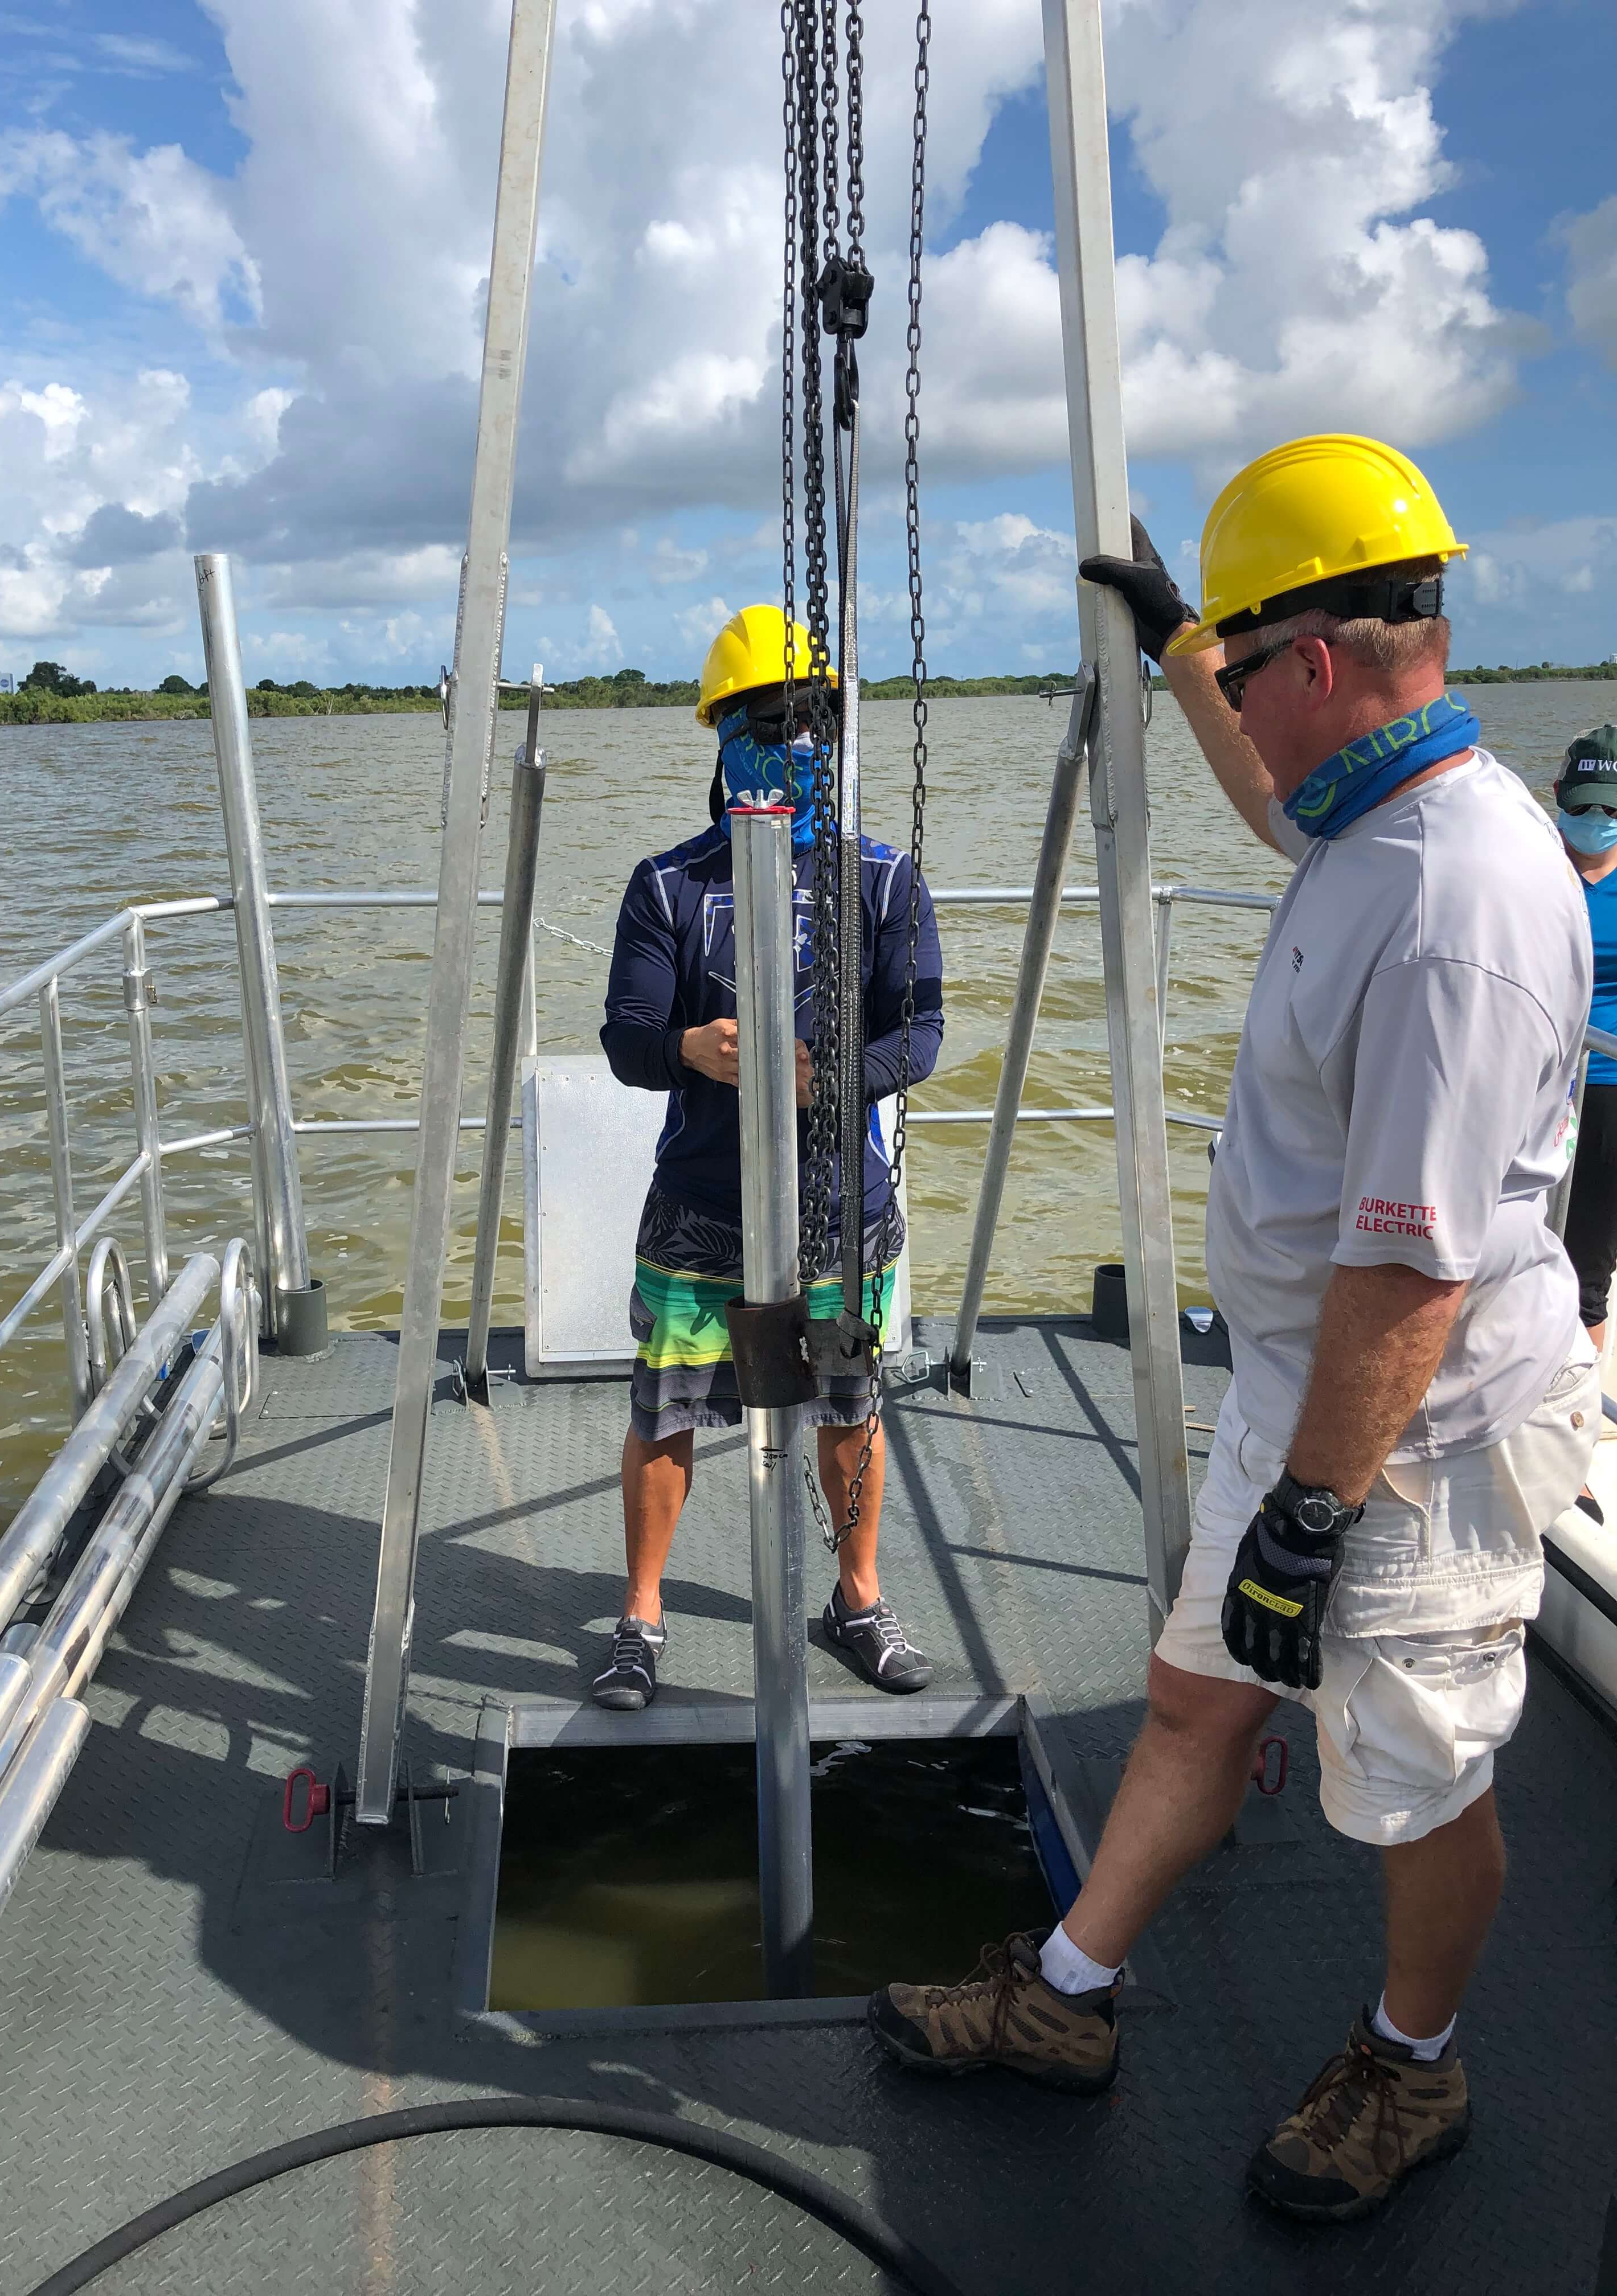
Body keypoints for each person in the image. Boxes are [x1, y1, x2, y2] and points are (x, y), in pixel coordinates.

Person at [867, 435, 1600, 2223]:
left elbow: (1411, 1270)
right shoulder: (1373, 816)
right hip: (1316, 1399)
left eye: (1259, 680)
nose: (1253, 730)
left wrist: (1312, 1511)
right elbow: (1269, 801)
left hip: (1410, 1439)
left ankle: (1410, 2069)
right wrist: (1185, 646)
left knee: (1418, 1774)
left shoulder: (1453, 903)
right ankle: (1070, 1997)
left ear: (1328, 664)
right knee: (1199, 1695)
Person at [593, 603, 944, 1711]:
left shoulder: (883, 883)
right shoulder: (668, 886)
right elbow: (626, 1040)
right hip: (702, 1209)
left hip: (845, 1209)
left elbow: (921, 1035)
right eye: (763, 721)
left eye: (812, 724)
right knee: (664, 1411)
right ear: (719, 734)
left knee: (851, 1408)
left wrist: (833, 1077)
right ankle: (642, 1615)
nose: (793, 745)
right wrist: (690, 1046)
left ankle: (857, 1598)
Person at [1554, 724, 1617, 1523]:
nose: (1595, 824)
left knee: (1589, 1274)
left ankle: (1572, 1434)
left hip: (1610, 1088)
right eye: (1583, 807)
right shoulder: (1536, 870)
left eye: (1607, 809)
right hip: (1545, 1084)